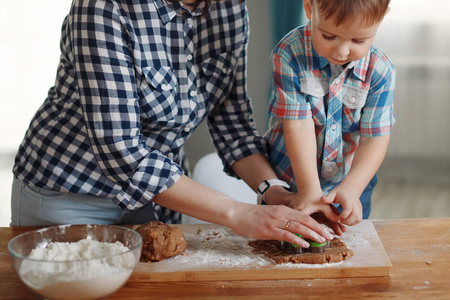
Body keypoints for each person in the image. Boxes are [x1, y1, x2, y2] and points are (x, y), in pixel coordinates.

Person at [11, 0, 337, 248]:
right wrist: (240, 213)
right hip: (68, 197)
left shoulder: (229, 7)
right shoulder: (102, 9)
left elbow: (231, 119)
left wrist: (273, 191)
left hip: (157, 199)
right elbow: (122, 153)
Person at [265, 0, 396, 226]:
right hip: (289, 177)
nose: (342, 51)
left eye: (358, 40)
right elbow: (298, 124)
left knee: (347, 246)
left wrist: (351, 188)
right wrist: (308, 190)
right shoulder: (289, 54)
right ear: (309, 9)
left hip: (351, 180)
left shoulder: (381, 70)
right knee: (280, 245)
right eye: (328, 36)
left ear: (380, 19)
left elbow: (374, 138)